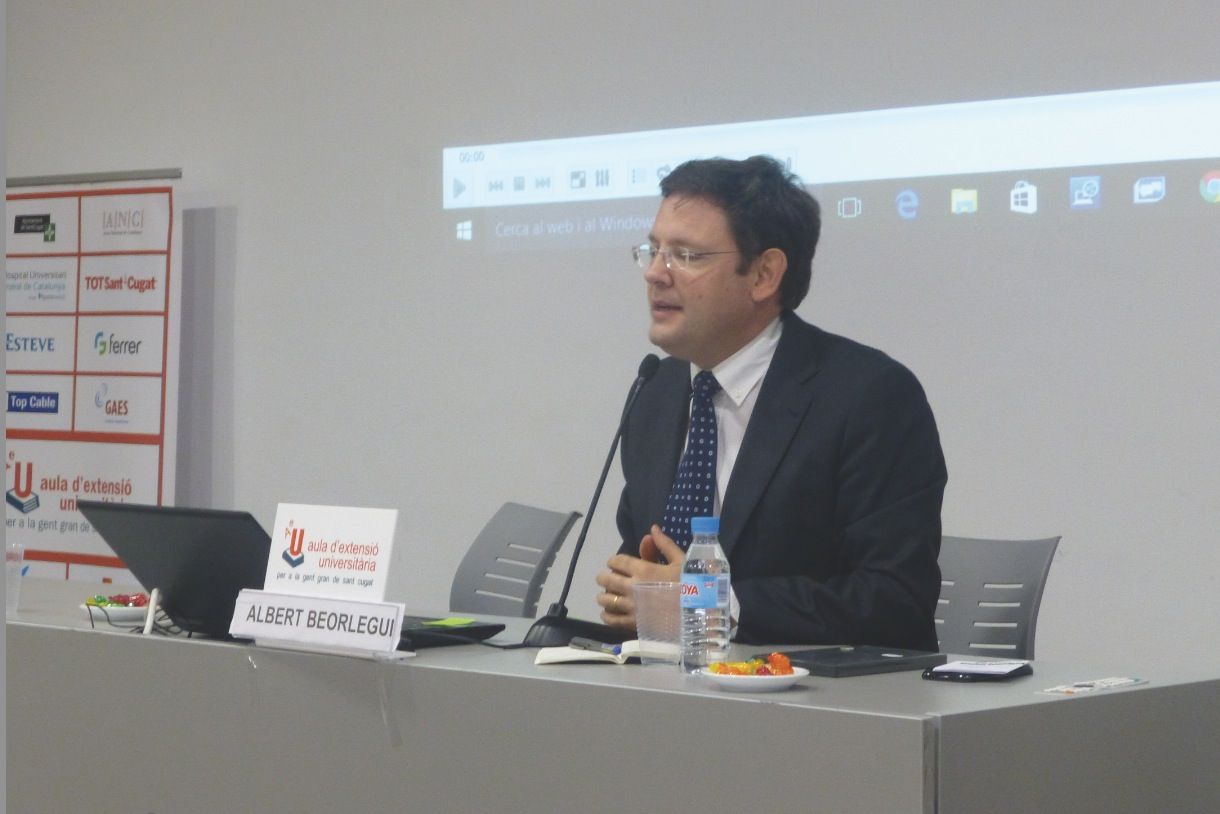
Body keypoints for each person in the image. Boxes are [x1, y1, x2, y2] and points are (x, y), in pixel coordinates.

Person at [595, 155, 947, 650]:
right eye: (653, 250)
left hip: (822, 708)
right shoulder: (657, 394)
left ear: (764, 275)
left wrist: (714, 605)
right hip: (671, 701)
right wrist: (630, 599)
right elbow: (651, 576)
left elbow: (894, 600)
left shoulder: (868, 397)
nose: (655, 273)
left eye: (687, 255)